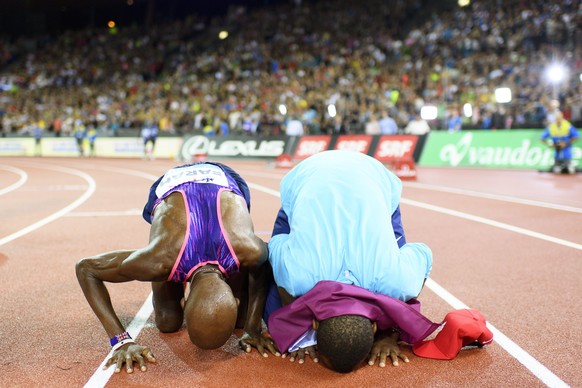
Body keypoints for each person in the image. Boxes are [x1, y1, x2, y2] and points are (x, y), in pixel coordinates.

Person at [75, 162, 276, 374]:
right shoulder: (158, 260)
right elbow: (86, 268)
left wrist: (252, 327)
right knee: (167, 321)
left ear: (185, 300)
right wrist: (120, 340)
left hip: (222, 184)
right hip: (174, 187)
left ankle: (181, 277)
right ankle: (170, 272)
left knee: (241, 321)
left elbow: (262, 267)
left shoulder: (250, 250)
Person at [265, 150, 433, 372]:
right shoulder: (298, 276)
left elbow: (422, 254)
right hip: (326, 175)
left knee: (281, 284)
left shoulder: (398, 281)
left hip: (332, 175)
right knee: (281, 279)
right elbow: (276, 245)